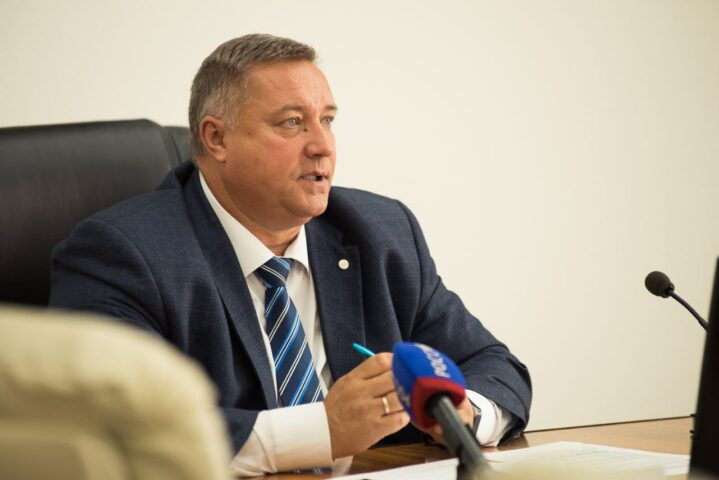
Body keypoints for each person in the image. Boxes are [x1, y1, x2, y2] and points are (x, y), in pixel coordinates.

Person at [50, 34, 531, 476]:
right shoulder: (124, 252)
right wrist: (322, 431)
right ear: (217, 138)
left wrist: (462, 413)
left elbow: (495, 366)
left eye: (327, 120)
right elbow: (113, 425)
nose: (322, 146)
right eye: (292, 123)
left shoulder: (381, 231)